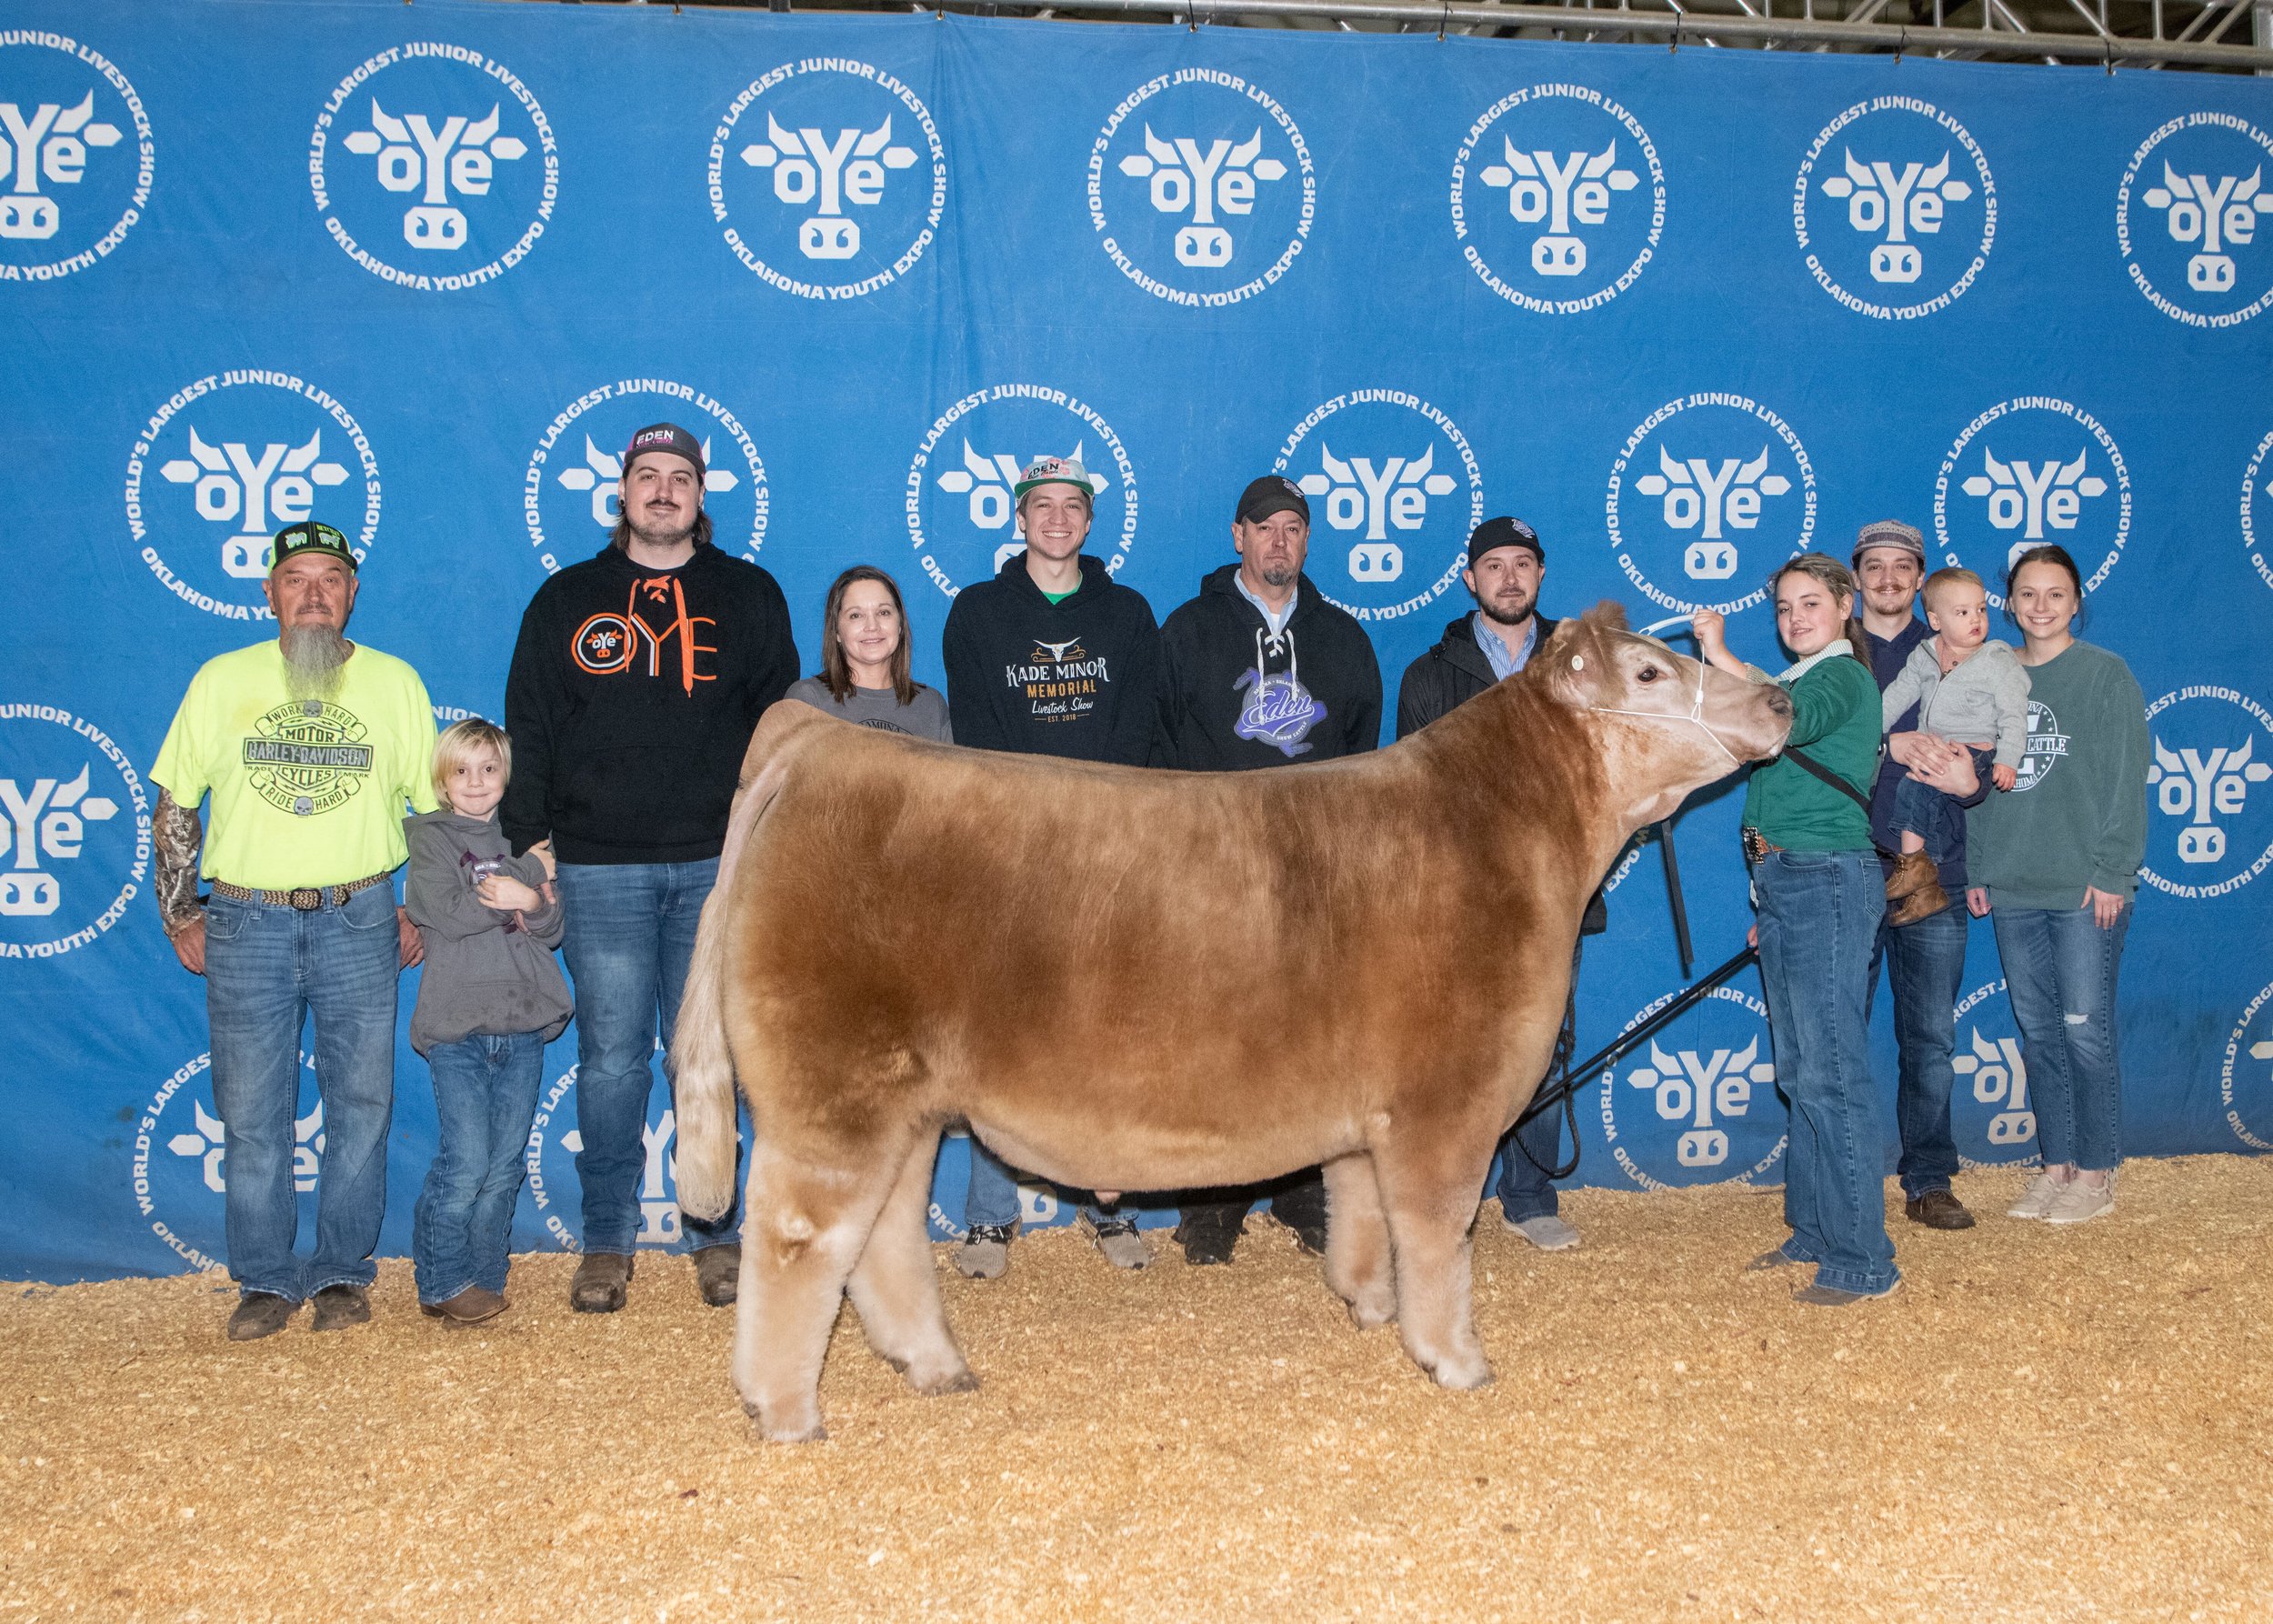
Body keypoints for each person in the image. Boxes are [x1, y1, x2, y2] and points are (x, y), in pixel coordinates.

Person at [503, 423, 799, 1314]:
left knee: (710, 1056)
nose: (663, 490)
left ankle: (714, 1233)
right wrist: (533, 839)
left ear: (701, 497)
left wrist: (765, 843)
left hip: (718, 866)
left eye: (680, 478)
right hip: (600, 868)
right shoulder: (567, 598)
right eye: (647, 476)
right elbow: (531, 721)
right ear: (622, 494)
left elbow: (778, 729)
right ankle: (605, 1242)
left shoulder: (747, 594)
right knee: (609, 1063)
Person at [150, 520, 437, 1340]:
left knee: (362, 1105)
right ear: (270, 593)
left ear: (352, 595)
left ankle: (344, 1271)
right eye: (297, 579)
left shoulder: (396, 684)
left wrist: (419, 907)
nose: (314, 594)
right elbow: (177, 801)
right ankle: (266, 1280)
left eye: (331, 580)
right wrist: (179, 910)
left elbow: (437, 812)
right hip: (247, 921)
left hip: (361, 915)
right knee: (251, 1111)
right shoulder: (221, 679)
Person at [940, 455, 1162, 1278]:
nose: (1059, 518)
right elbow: (978, 734)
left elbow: (1140, 730)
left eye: (1074, 505)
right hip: (1017, 851)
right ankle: (991, 1218)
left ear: (1091, 521)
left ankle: (1115, 1206)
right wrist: (1030, 829)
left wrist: (1102, 826)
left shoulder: (1129, 614)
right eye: (1044, 505)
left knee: (1111, 1031)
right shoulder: (978, 613)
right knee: (1004, 1036)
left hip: (1111, 852)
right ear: (1020, 517)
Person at [1157, 475, 1382, 1265]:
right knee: (1214, 1032)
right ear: (1237, 536)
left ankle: (1299, 1190)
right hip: (1214, 866)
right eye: (1265, 527)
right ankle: (1212, 1200)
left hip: (1314, 876)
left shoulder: (1346, 638)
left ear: (1307, 541)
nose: (1279, 540)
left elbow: (1363, 763)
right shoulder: (1186, 631)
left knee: (1308, 1036)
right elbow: (1159, 750)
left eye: (1294, 527)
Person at [1696, 555, 1898, 1306]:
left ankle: (1863, 1259)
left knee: (1832, 1071)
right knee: (1802, 1072)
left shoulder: (1840, 677)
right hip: (1789, 883)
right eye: (1783, 607)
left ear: (1844, 607)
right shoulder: (1813, 674)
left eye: (1810, 603)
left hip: (1824, 878)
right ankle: (1816, 1229)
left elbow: (1782, 721)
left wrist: (1719, 658)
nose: (1795, 618)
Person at [1396, 516, 1595, 1251]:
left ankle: (1531, 1194)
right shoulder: (1430, 675)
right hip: (1460, 896)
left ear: (1540, 576)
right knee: (1453, 1050)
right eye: (1493, 565)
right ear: (1469, 579)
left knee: (1542, 1041)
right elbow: (1416, 797)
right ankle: (1450, 1196)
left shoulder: (1585, 668)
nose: (1509, 577)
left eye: (1522, 564)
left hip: (1558, 894)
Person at [1965, 545, 2148, 1227]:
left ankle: (2096, 1174)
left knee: (2085, 1032)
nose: (2041, 607)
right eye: (2028, 595)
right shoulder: (1993, 674)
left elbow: (2129, 781)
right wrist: (1979, 864)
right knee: (2039, 1032)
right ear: (2008, 604)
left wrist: (2112, 873)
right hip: (2012, 883)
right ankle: (2057, 1166)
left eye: (2056, 594)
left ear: (2077, 602)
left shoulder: (2106, 676)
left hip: (2082, 889)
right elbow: (1977, 775)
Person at [404, 719, 574, 1326]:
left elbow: (552, 929)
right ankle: (443, 1279)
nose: (476, 782)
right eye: (462, 770)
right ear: (443, 782)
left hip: (522, 1021)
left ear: (507, 778)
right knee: (467, 1158)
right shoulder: (429, 838)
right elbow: (441, 911)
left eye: (489, 769)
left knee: (503, 1164)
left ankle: (486, 1277)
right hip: (458, 1025)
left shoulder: (528, 840)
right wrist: (524, 882)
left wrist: (533, 901)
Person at [1851, 519, 1989, 1232]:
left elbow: (1990, 754)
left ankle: (1929, 1179)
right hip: (1846, 869)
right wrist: (1883, 740)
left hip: (1934, 870)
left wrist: (1973, 781)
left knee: (1931, 1036)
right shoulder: (1832, 647)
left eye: (1903, 566)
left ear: (1922, 581)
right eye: (1875, 565)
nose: (1888, 577)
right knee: (1838, 1035)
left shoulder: (1960, 651)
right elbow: (1797, 747)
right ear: (1857, 578)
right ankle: (1839, 1185)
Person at [1879, 567, 2029, 927]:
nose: (1975, 619)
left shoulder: (1997, 660)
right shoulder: (1925, 655)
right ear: (1935, 619)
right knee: (1911, 790)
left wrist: (2007, 759)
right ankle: (1921, 879)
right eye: (1962, 612)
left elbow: (2014, 715)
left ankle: (1916, 871)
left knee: (1919, 792)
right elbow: (1896, 696)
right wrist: (1871, 734)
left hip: (1977, 752)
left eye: (1980, 609)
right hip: (1937, 749)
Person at [786, 566, 952, 742]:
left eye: (883, 612)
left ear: (900, 625)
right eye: (856, 615)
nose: (872, 626)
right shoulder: (807, 700)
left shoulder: (931, 705)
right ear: (837, 632)